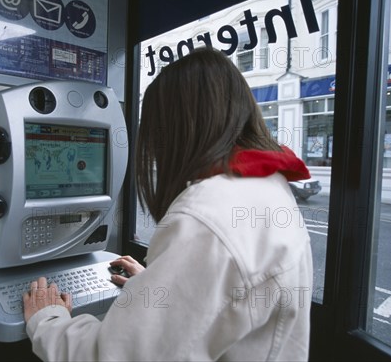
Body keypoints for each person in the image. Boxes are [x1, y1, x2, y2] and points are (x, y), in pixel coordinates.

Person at [23, 47, 313, 361]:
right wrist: (159, 279)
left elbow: (113, 356)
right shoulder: (267, 186)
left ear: (174, 132)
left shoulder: (208, 215)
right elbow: (222, 300)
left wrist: (48, 321)